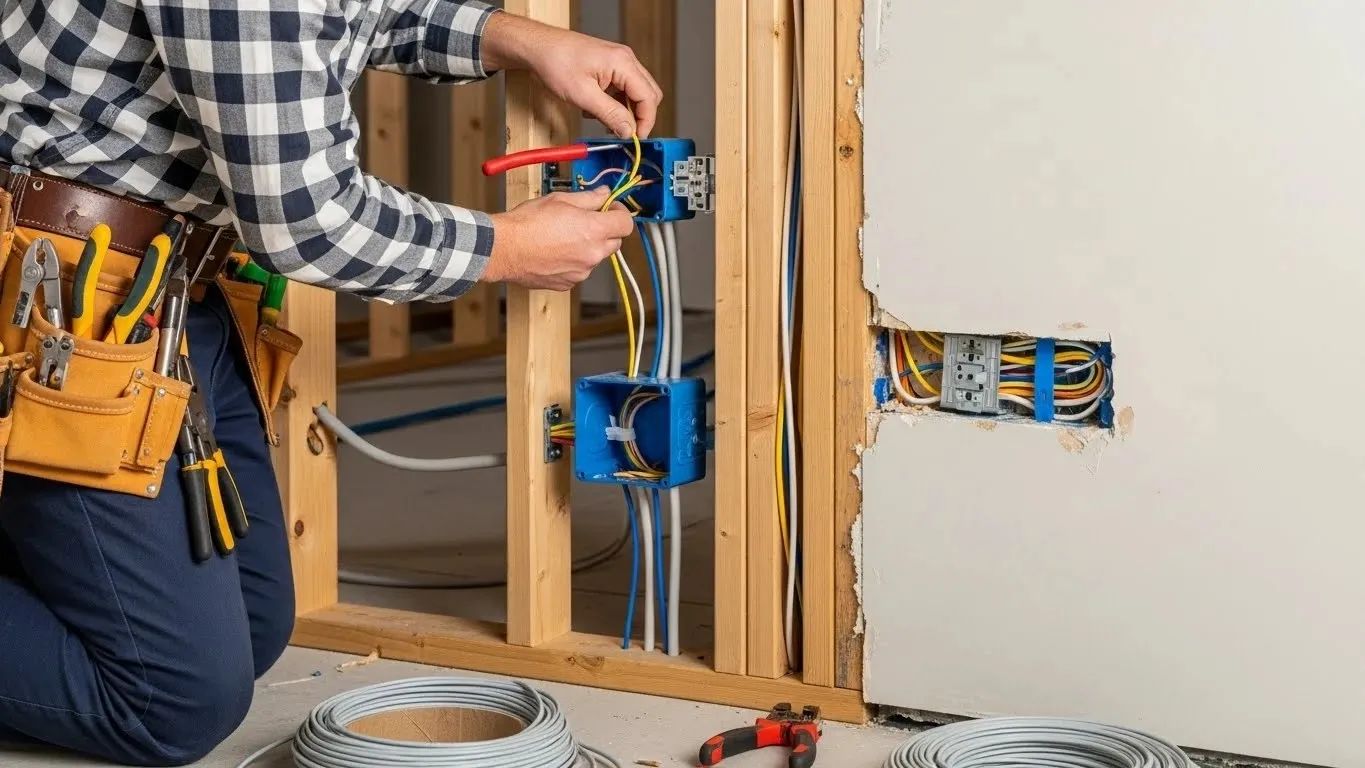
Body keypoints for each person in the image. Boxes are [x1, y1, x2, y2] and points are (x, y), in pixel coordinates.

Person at [0, 0, 660, 764]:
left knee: (254, 623)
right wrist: (506, 248)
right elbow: (309, 225)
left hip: (169, 285)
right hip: (55, 291)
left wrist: (512, 36)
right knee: (169, 700)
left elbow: (351, 13)